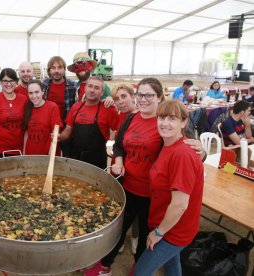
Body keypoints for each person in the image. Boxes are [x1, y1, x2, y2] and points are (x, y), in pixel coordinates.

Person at [85, 78, 205, 276]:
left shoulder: (167, 121)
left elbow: (190, 147)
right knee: (118, 230)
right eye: (140, 94)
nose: (143, 99)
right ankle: (105, 265)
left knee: (146, 238)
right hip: (128, 188)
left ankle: (139, 267)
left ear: (159, 97)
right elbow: (118, 145)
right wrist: (119, 160)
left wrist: (203, 151)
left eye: (149, 95)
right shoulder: (132, 118)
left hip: (154, 195)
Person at [134, 100, 204, 275]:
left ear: (183, 122)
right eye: (162, 117)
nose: (165, 123)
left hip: (174, 231)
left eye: (172, 118)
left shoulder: (182, 154)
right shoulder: (168, 145)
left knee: (141, 272)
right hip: (165, 223)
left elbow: (180, 205)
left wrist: (158, 232)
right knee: (172, 265)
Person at [58, 76, 118, 169]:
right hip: (76, 157)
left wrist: (116, 104)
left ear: (102, 92)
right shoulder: (76, 107)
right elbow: (68, 129)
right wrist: (60, 137)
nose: (92, 90)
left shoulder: (108, 109)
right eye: (90, 86)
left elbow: (119, 130)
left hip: (97, 160)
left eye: (96, 88)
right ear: (85, 88)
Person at [111, 83, 139, 254]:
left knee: (135, 207)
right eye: (116, 98)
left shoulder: (140, 115)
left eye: (124, 97)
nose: (120, 101)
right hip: (118, 165)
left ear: (132, 96)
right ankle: (119, 237)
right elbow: (117, 143)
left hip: (135, 167)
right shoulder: (119, 116)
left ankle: (135, 237)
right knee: (120, 203)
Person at [0, 68, 27, 159]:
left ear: (16, 82)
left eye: (11, 81)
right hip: (0, 151)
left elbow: (27, 126)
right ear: (0, 82)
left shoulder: (24, 100)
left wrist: (25, 149)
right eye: (5, 81)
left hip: (19, 149)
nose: (8, 84)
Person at [43, 56, 77, 157]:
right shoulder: (44, 85)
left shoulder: (72, 86)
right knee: (48, 157)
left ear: (64, 69)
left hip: (67, 131)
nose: (56, 71)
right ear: (49, 70)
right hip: (48, 131)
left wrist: (108, 97)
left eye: (60, 67)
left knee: (68, 158)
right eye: (53, 68)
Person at [23, 79, 63, 155]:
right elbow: (26, 133)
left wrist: (50, 154)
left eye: (37, 92)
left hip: (46, 154)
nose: (34, 96)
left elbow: (55, 132)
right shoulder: (27, 108)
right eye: (30, 93)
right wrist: (24, 153)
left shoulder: (52, 107)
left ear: (43, 92)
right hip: (30, 154)